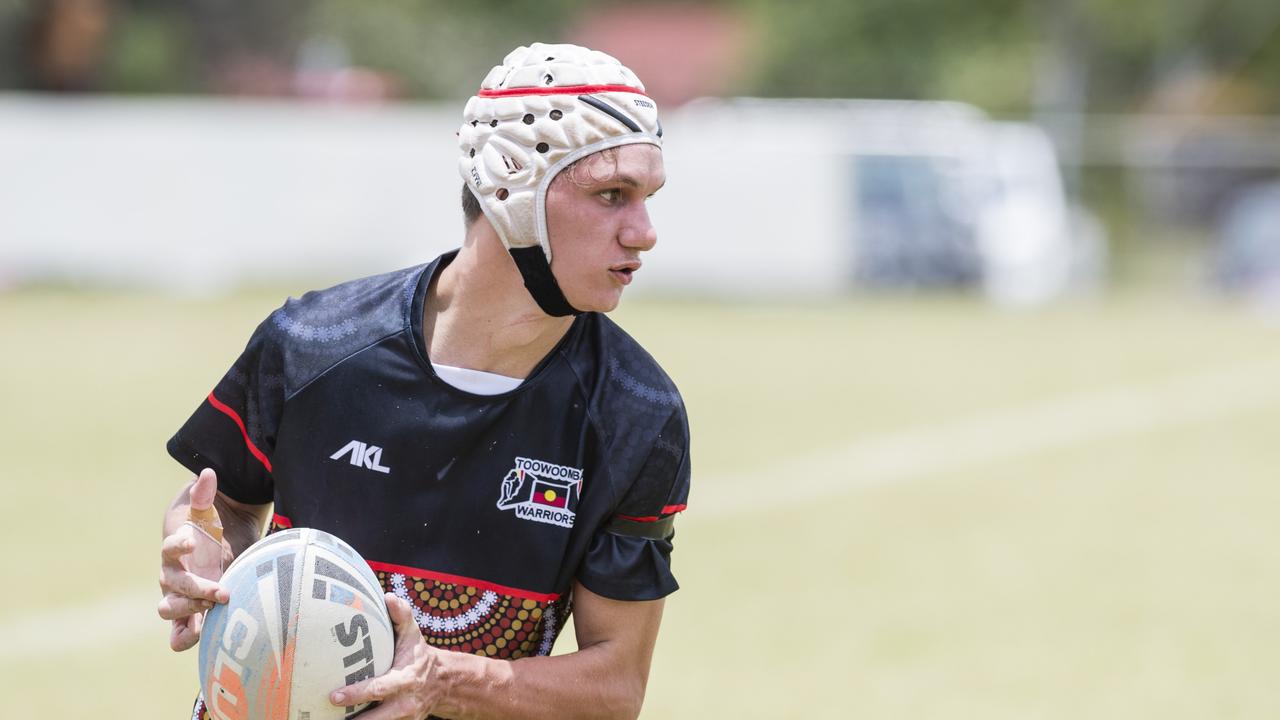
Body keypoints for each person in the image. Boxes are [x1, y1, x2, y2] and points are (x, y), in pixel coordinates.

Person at [156, 42, 689, 719]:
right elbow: (223, 506)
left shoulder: (637, 413)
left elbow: (615, 687)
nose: (643, 233)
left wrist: (447, 682)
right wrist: (202, 551)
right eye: (612, 195)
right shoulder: (313, 343)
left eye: (646, 198)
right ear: (512, 187)